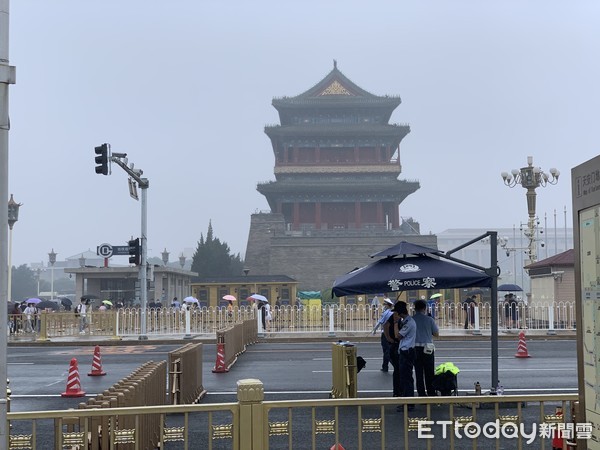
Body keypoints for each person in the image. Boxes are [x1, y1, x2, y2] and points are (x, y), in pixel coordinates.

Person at [413, 299, 439, 397]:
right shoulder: (429, 319)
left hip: (415, 348)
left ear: (415, 309)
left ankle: (421, 394)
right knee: (429, 372)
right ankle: (431, 393)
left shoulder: (411, 320)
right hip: (428, 349)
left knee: (418, 373)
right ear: (424, 308)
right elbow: (436, 334)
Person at [392, 301, 416, 411]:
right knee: (404, 378)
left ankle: (409, 403)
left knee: (406, 379)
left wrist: (396, 323)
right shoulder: (406, 321)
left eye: (396, 313)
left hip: (407, 352)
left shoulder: (409, 323)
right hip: (405, 352)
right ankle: (406, 400)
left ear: (400, 313)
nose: (395, 315)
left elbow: (398, 336)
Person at [371, 297, 394, 372]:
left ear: (388, 305)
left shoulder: (386, 313)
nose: (384, 305)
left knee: (386, 351)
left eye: (385, 304)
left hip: (385, 334)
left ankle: (389, 366)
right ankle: (385, 366)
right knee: (389, 350)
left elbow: (379, 322)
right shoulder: (394, 313)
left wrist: (374, 330)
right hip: (392, 334)